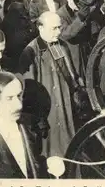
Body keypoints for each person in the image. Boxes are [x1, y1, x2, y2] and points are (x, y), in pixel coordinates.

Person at [19, 12, 81, 157]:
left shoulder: (63, 46)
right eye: (53, 28)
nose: (58, 32)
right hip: (48, 114)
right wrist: (39, 119)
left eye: (59, 27)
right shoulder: (31, 52)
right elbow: (29, 91)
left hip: (66, 111)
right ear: (40, 27)